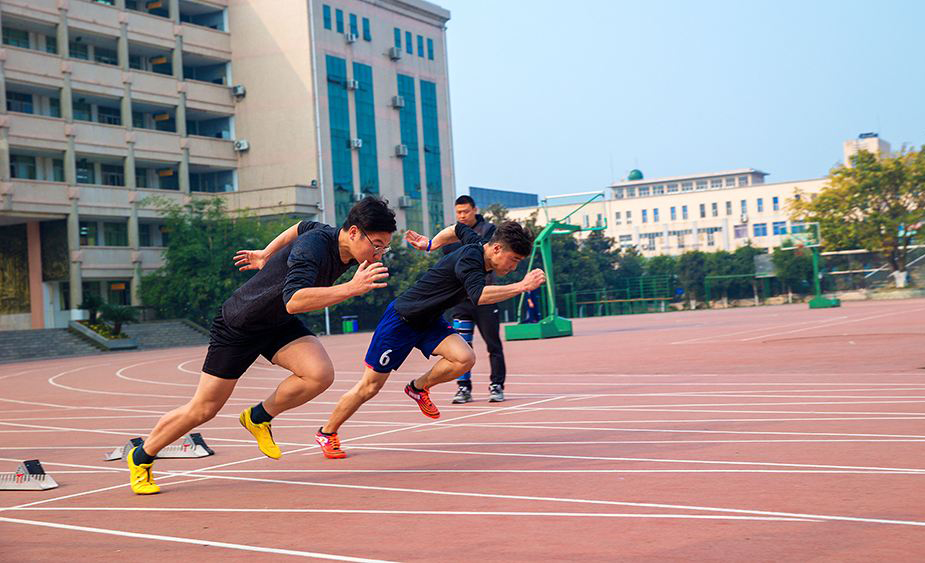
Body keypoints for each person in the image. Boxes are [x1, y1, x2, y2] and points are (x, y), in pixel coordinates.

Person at [126, 197, 396, 494]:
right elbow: (294, 301)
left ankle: (258, 417)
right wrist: (350, 289)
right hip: (240, 324)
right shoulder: (314, 248)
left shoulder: (330, 236)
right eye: (378, 244)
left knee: (319, 375)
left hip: (276, 323)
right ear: (355, 232)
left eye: (385, 247)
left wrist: (266, 253)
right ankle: (141, 457)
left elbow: (298, 227)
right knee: (203, 408)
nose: (380, 253)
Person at [313, 220, 545, 459]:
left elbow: (456, 228)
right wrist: (522, 286)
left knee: (464, 358)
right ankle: (327, 432)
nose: (514, 267)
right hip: (402, 320)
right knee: (370, 386)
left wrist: (431, 244)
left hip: (429, 320)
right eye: (514, 259)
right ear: (497, 249)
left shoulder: (477, 242)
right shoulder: (471, 260)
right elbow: (479, 295)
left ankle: (417, 388)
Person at [441, 195, 507, 404]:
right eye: (458, 212)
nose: (462, 215)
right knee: (462, 346)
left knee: (493, 345)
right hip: (461, 300)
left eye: (466, 211)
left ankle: (497, 385)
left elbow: (479, 250)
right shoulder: (451, 234)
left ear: (474, 210)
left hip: (485, 297)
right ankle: (463, 388)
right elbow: (449, 255)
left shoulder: (489, 230)